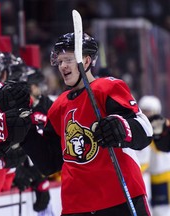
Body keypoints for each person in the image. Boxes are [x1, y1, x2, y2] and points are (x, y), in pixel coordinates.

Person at [21, 32, 153, 215]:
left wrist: (122, 127)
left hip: (120, 197)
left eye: (68, 59)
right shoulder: (58, 106)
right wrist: (25, 134)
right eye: (59, 62)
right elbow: (50, 163)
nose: (62, 66)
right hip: (77, 205)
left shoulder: (108, 88)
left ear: (87, 61)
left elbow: (145, 131)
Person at [139, 95, 170, 216]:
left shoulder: (163, 126)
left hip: (163, 177)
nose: (147, 114)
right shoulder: (144, 128)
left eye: (149, 111)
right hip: (149, 177)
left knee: (162, 212)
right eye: (144, 111)